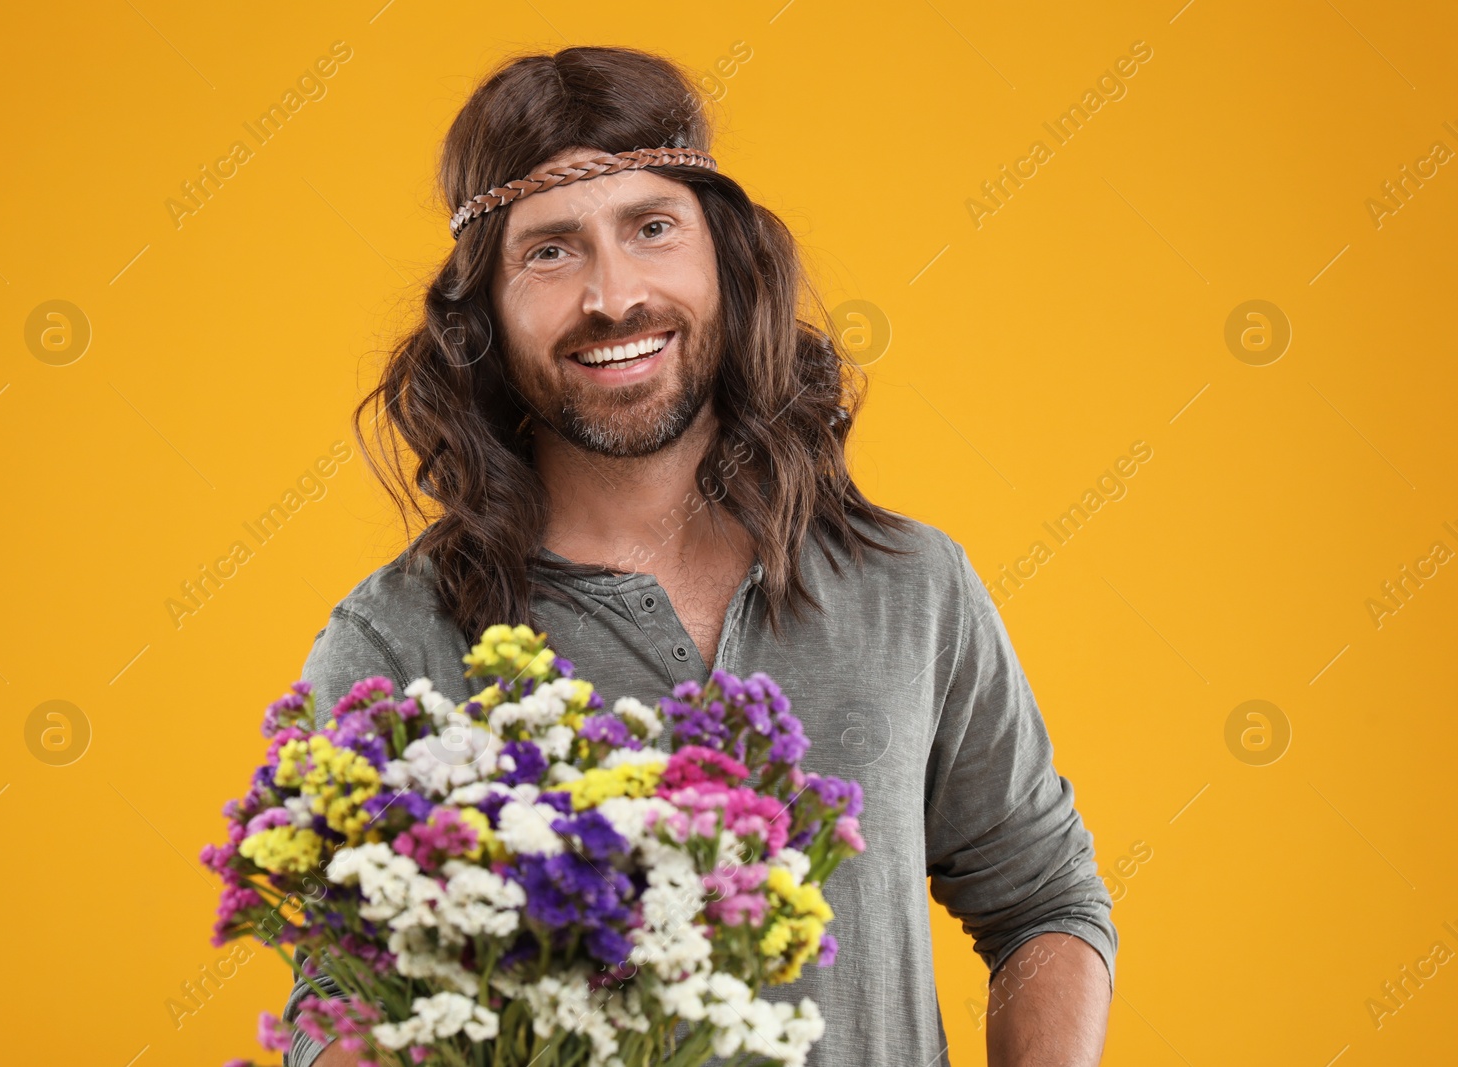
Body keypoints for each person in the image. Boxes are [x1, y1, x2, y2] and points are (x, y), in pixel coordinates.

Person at [281, 44, 1116, 1067]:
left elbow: (1044, 898)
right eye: (548, 251)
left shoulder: (914, 587)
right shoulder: (399, 640)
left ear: (726, 256)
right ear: (485, 315)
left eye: (652, 228)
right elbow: (335, 995)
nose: (613, 294)